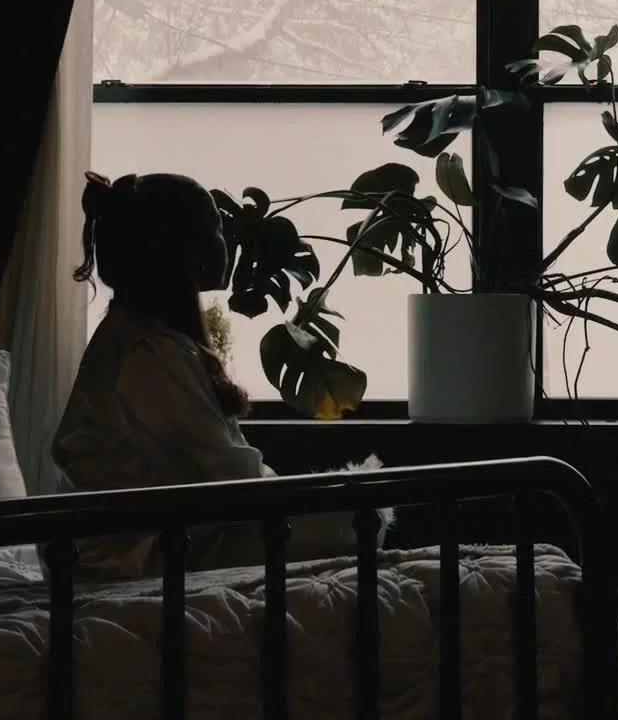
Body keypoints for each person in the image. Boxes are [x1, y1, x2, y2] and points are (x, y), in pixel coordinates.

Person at [52, 171, 384, 578]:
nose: (224, 241)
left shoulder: (141, 335)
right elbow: (225, 474)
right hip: (134, 553)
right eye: (215, 228)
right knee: (358, 515)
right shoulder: (149, 353)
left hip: (144, 540)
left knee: (349, 508)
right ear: (182, 248)